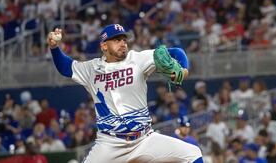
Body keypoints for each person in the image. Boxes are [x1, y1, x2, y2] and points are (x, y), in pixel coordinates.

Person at [47, 24, 203, 162]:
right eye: (116, 40)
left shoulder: (138, 59)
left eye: (124, 39)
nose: (122, 43)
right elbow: (66, 67)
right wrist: (54, 48)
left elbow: (176, 51)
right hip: (110, 143)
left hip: (144, 140)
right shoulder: (91, 69)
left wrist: (183, 69)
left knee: (192, 153)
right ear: (104, 46)